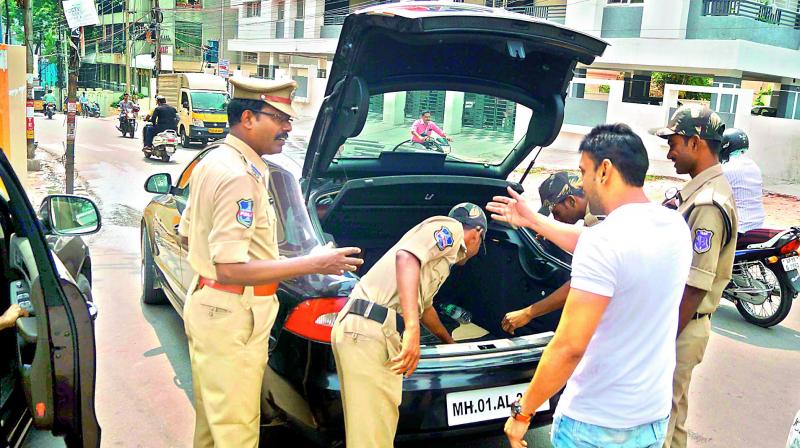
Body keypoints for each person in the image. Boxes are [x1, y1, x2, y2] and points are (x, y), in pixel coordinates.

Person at [177, 76, 364, 448]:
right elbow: (229, 268)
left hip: (216, 308)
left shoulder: (219, 161)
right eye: (279, 118)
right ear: (248, 118)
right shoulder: (237, 176)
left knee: (214, 429)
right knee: (237, 432)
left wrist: (270, 258)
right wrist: (315, 264)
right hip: (233, 312)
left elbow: (187, 234)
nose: (288, 128)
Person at [489, 124, 693, 448]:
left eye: (583, 171)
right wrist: (533, 220)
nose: (581, 181)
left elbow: (569, 346)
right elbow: (598, 244)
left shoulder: (605, 242)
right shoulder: (674, 226)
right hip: (652, 417)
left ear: (605, 171)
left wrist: (522, 412)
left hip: (595, 424)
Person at [331, 203, 487, 448]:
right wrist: (413, 331)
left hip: (372, 330)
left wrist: (449, 342)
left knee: (374, 429)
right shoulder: (451, 229)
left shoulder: (440, 259)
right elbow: (406, 256)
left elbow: (425, 308)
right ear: (477, 234)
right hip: (371, 327)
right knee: (372, 438)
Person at [652, 104, 738, 448]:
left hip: (682, 323)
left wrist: (661, 339)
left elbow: (695, 284)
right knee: (674, 419)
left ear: (696, 142)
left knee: (661, 421)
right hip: (684, 322)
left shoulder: (707, 203)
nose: (670, 152)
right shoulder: (699, 194)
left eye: (674, 142)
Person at [500, 171, 602, 335]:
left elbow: (580, 283)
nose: (556, 219)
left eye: (556, 213)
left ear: (571, 201)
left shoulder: (599, 219)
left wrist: (528, 313)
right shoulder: (601, 206)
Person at [720, 128, 765, 236]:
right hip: (758, 225)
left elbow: (707, 192)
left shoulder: (727, 168)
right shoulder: (753, 165)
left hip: (739, 228)